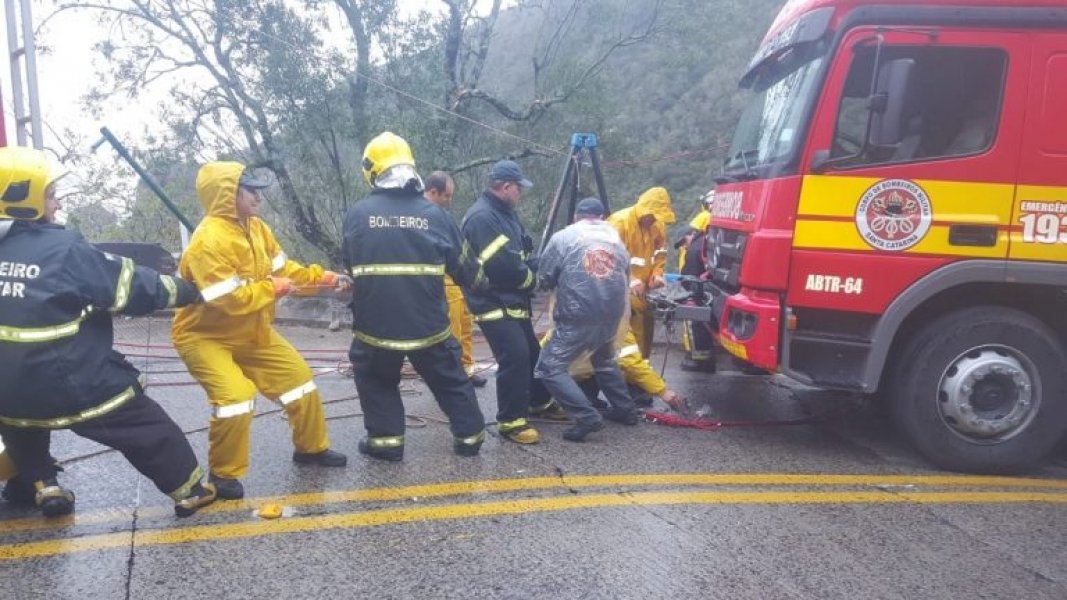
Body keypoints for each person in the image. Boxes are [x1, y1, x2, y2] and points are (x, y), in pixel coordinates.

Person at [0, 146, 217, 518]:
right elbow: (129, 287)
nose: (58, 204)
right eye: (50, 195)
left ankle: (41, 485)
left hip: (7, 390)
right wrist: (186, 291)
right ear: (24, 198)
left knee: (20, 422)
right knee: (142, 423)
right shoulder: (63, 249)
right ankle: (190, 490)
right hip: (71, 381)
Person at [172, 161, 347, 500]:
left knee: (300, 382)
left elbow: (285, 270)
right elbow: (229, 300)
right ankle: (224, 475)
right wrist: (273, 288)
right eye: (251, 191)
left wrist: (325, 279)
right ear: (228, 194)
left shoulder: (257, 228)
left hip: (251, 331)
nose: (259, 197)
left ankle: (311, 449)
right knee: (236, 398)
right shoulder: (207, 242)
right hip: (205, 337)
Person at [343, 132, 487, 461]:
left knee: (377, 381)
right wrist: (485, 285)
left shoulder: (356, 215)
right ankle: (470, 439)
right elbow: (469, 271)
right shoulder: (436, 216)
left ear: (371, 169)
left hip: (375, 327)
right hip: (428, 325)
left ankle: (386, 444)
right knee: (450, 379)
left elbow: (351, 265)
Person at [461, 160, 565, 445]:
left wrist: (543, 267)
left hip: (512, 300)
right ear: (506, 187)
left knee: (531, 353)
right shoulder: (482, 217)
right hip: (492, 301)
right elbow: (501, 265)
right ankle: (511, 421)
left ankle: (538, 402)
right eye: (519, 188)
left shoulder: (505, 214)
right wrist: (533, 281)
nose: (521, 194)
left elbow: (520, 254)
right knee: (515, 357)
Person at [535, 198, 635, 442]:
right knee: (604, 359)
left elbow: (544, 276)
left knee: (549, 367)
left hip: (577, 314)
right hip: (611, 313)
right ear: (601, 217)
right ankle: (625, 410)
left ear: (576, 217)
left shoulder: (564, 237)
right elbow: (626, 275)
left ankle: (586, 416)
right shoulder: (614, 239)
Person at [424, 171, 487, 389]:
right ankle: (454, 375)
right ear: (433, 192)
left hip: (456, 283)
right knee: (453, 333)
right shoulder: (423, 217)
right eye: (446, 196)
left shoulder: (442, 217)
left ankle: (467, 369)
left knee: (465, 326)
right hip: (441, 284)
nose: (449, 200)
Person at [607, 186, 676, 359]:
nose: (654, 220)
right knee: (628, 338)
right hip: (620, 291)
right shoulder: (620, 223)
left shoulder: (657, 225)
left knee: (646, 332)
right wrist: (630, 279)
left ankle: (643, 366)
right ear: (644, 211)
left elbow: (660, 253)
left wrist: (657, 273)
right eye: (652, 216)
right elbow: (607, 258)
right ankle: (629, 370)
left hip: (645, 292)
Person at [678, 190, 716, 373]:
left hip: (700, 292)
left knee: (697, 324)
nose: (684, 247)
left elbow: (690, 275)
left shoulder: (694, 248)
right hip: (709, 288)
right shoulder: (705, 240)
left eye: (683, 242)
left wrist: (688, 291)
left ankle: (701, 361)